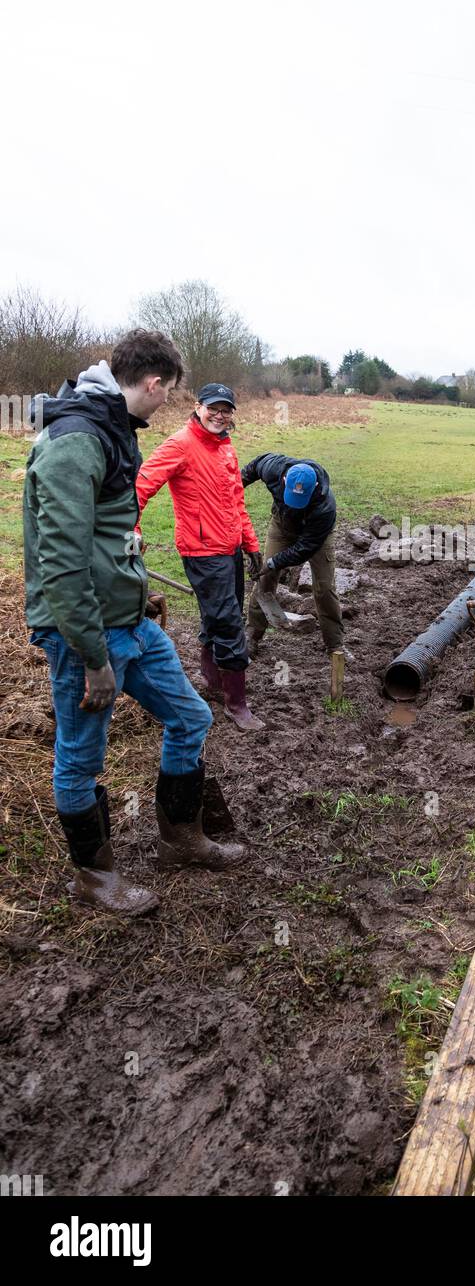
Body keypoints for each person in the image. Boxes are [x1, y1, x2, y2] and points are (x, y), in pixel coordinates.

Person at [24, 330, 245, 920]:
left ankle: (180, 838)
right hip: (85, 634)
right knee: (80, 758)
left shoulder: (112, 428)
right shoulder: (74, 442)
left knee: (191, 717)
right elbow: (62, 565)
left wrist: (136, 590)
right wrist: (94, 658)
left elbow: (111, 535)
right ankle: (94, 878)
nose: (167, 402)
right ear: (152, 383)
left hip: (129, 621)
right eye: (169, 392)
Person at [136, 384, 265, 730]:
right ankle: (237, 705)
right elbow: (140, 487)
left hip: (229, 548)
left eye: (226, 410)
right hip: (202, 550)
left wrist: (250, 543)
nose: (220, 415)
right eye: (214, 408)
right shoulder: (181, 444)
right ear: (198, 406)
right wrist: (129, 533)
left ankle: (213, 682)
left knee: (220, 615)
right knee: (228, 623)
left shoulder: (225, 447)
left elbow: (237, 501)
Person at [241, 454, 346, 657]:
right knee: (266, 578)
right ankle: (252, 633)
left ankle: (334, 643)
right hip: (282, 525)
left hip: (316, 535)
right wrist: (234, 489)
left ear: (315, 486)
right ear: (284, 480)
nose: (295, 504)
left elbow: (305, 548)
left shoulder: (325, 507)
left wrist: (274, 561)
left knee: (324, 586)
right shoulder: (273, 467)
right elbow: (251, 469)